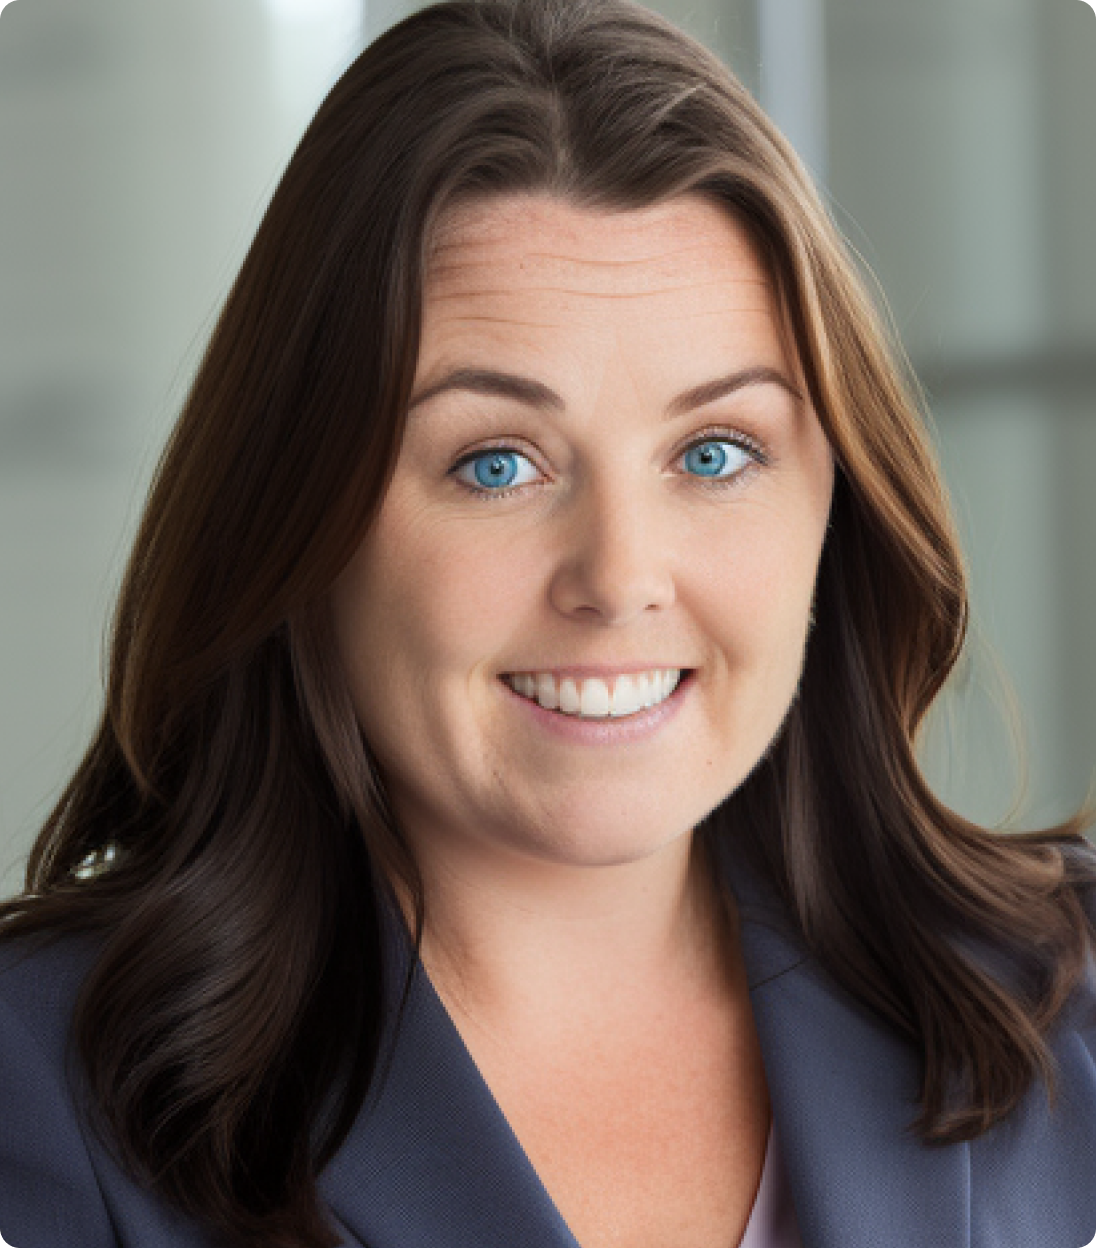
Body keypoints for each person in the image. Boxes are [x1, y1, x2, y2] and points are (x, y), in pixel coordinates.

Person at [2, 0, 1095, 1245]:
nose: (619, 578)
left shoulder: (1070, 1000)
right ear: (299, 520)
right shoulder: (42, 1102)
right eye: (496, 465)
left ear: (832, 511)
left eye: (714, 452)